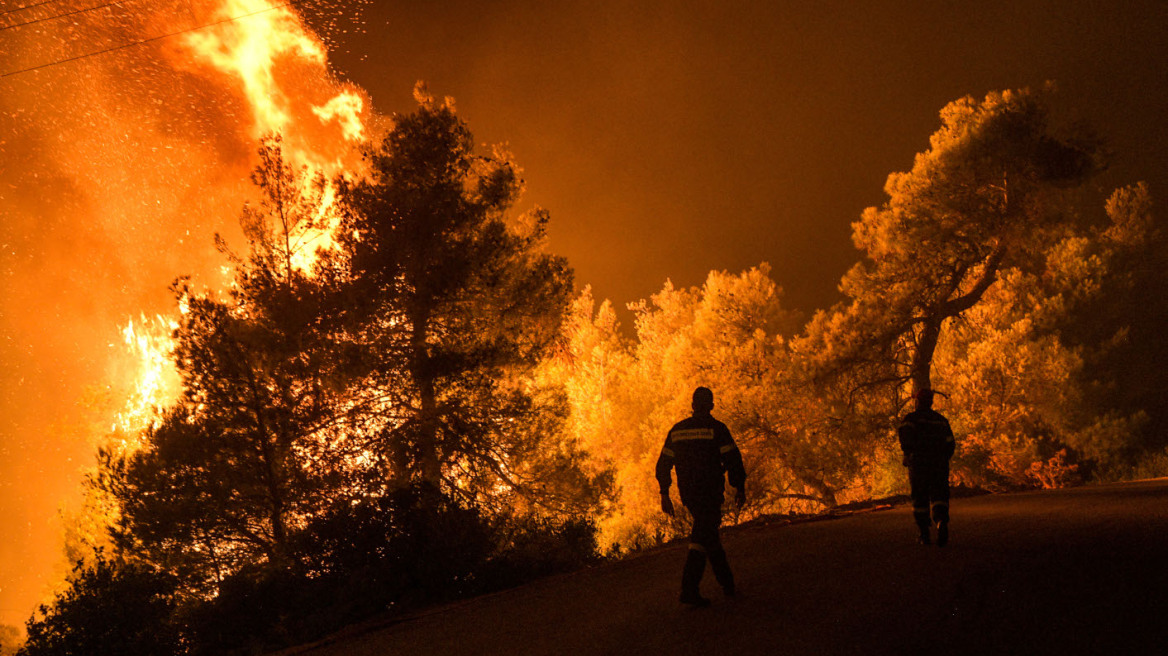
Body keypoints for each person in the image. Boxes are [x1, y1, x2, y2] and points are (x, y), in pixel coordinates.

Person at [656, 386, 747, 607]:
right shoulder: (717, 429)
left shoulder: (677, 431)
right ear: (711, 406)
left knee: (707, 533)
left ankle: (727, 584)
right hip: (710, 491)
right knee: (702, 536)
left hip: (689, 494)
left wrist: (665, 493)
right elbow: (734, 460)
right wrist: (739, 488)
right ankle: (689, 589)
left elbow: (663, 465)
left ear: (693, 405)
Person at [898, 388, 956, 546]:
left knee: (920, 497)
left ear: (917, 401)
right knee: (940, 495)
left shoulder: (911, 420)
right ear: (931, 401)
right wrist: (943, 458)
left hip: (919, 464)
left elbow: (904, 437)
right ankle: (941, 522)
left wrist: (908, 454)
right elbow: (951, 443)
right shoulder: (941, 420)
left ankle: (924, 533)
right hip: (939, 464)